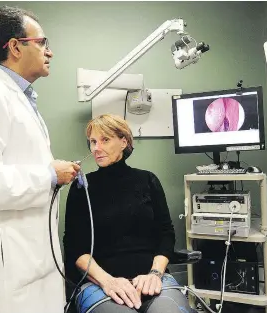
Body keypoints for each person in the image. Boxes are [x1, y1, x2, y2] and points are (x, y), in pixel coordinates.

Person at [0, 6, 80, 313]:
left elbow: (15, 166)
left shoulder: (22, 101)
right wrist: (48, 176)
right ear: (16, 47)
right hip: (9, 272)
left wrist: (52, 171)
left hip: (33, 261)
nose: (50, 52)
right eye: (43, 42)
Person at [64, 114, 195, 313]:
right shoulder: (82, 188)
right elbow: (75, 248)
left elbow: (166, 234)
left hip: (151, 279)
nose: (96, 148)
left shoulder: (147, 180)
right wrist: (108, 281)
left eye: (105, 140)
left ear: (124, 141)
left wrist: (154, 274)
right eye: (92, 142)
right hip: (100, 284)